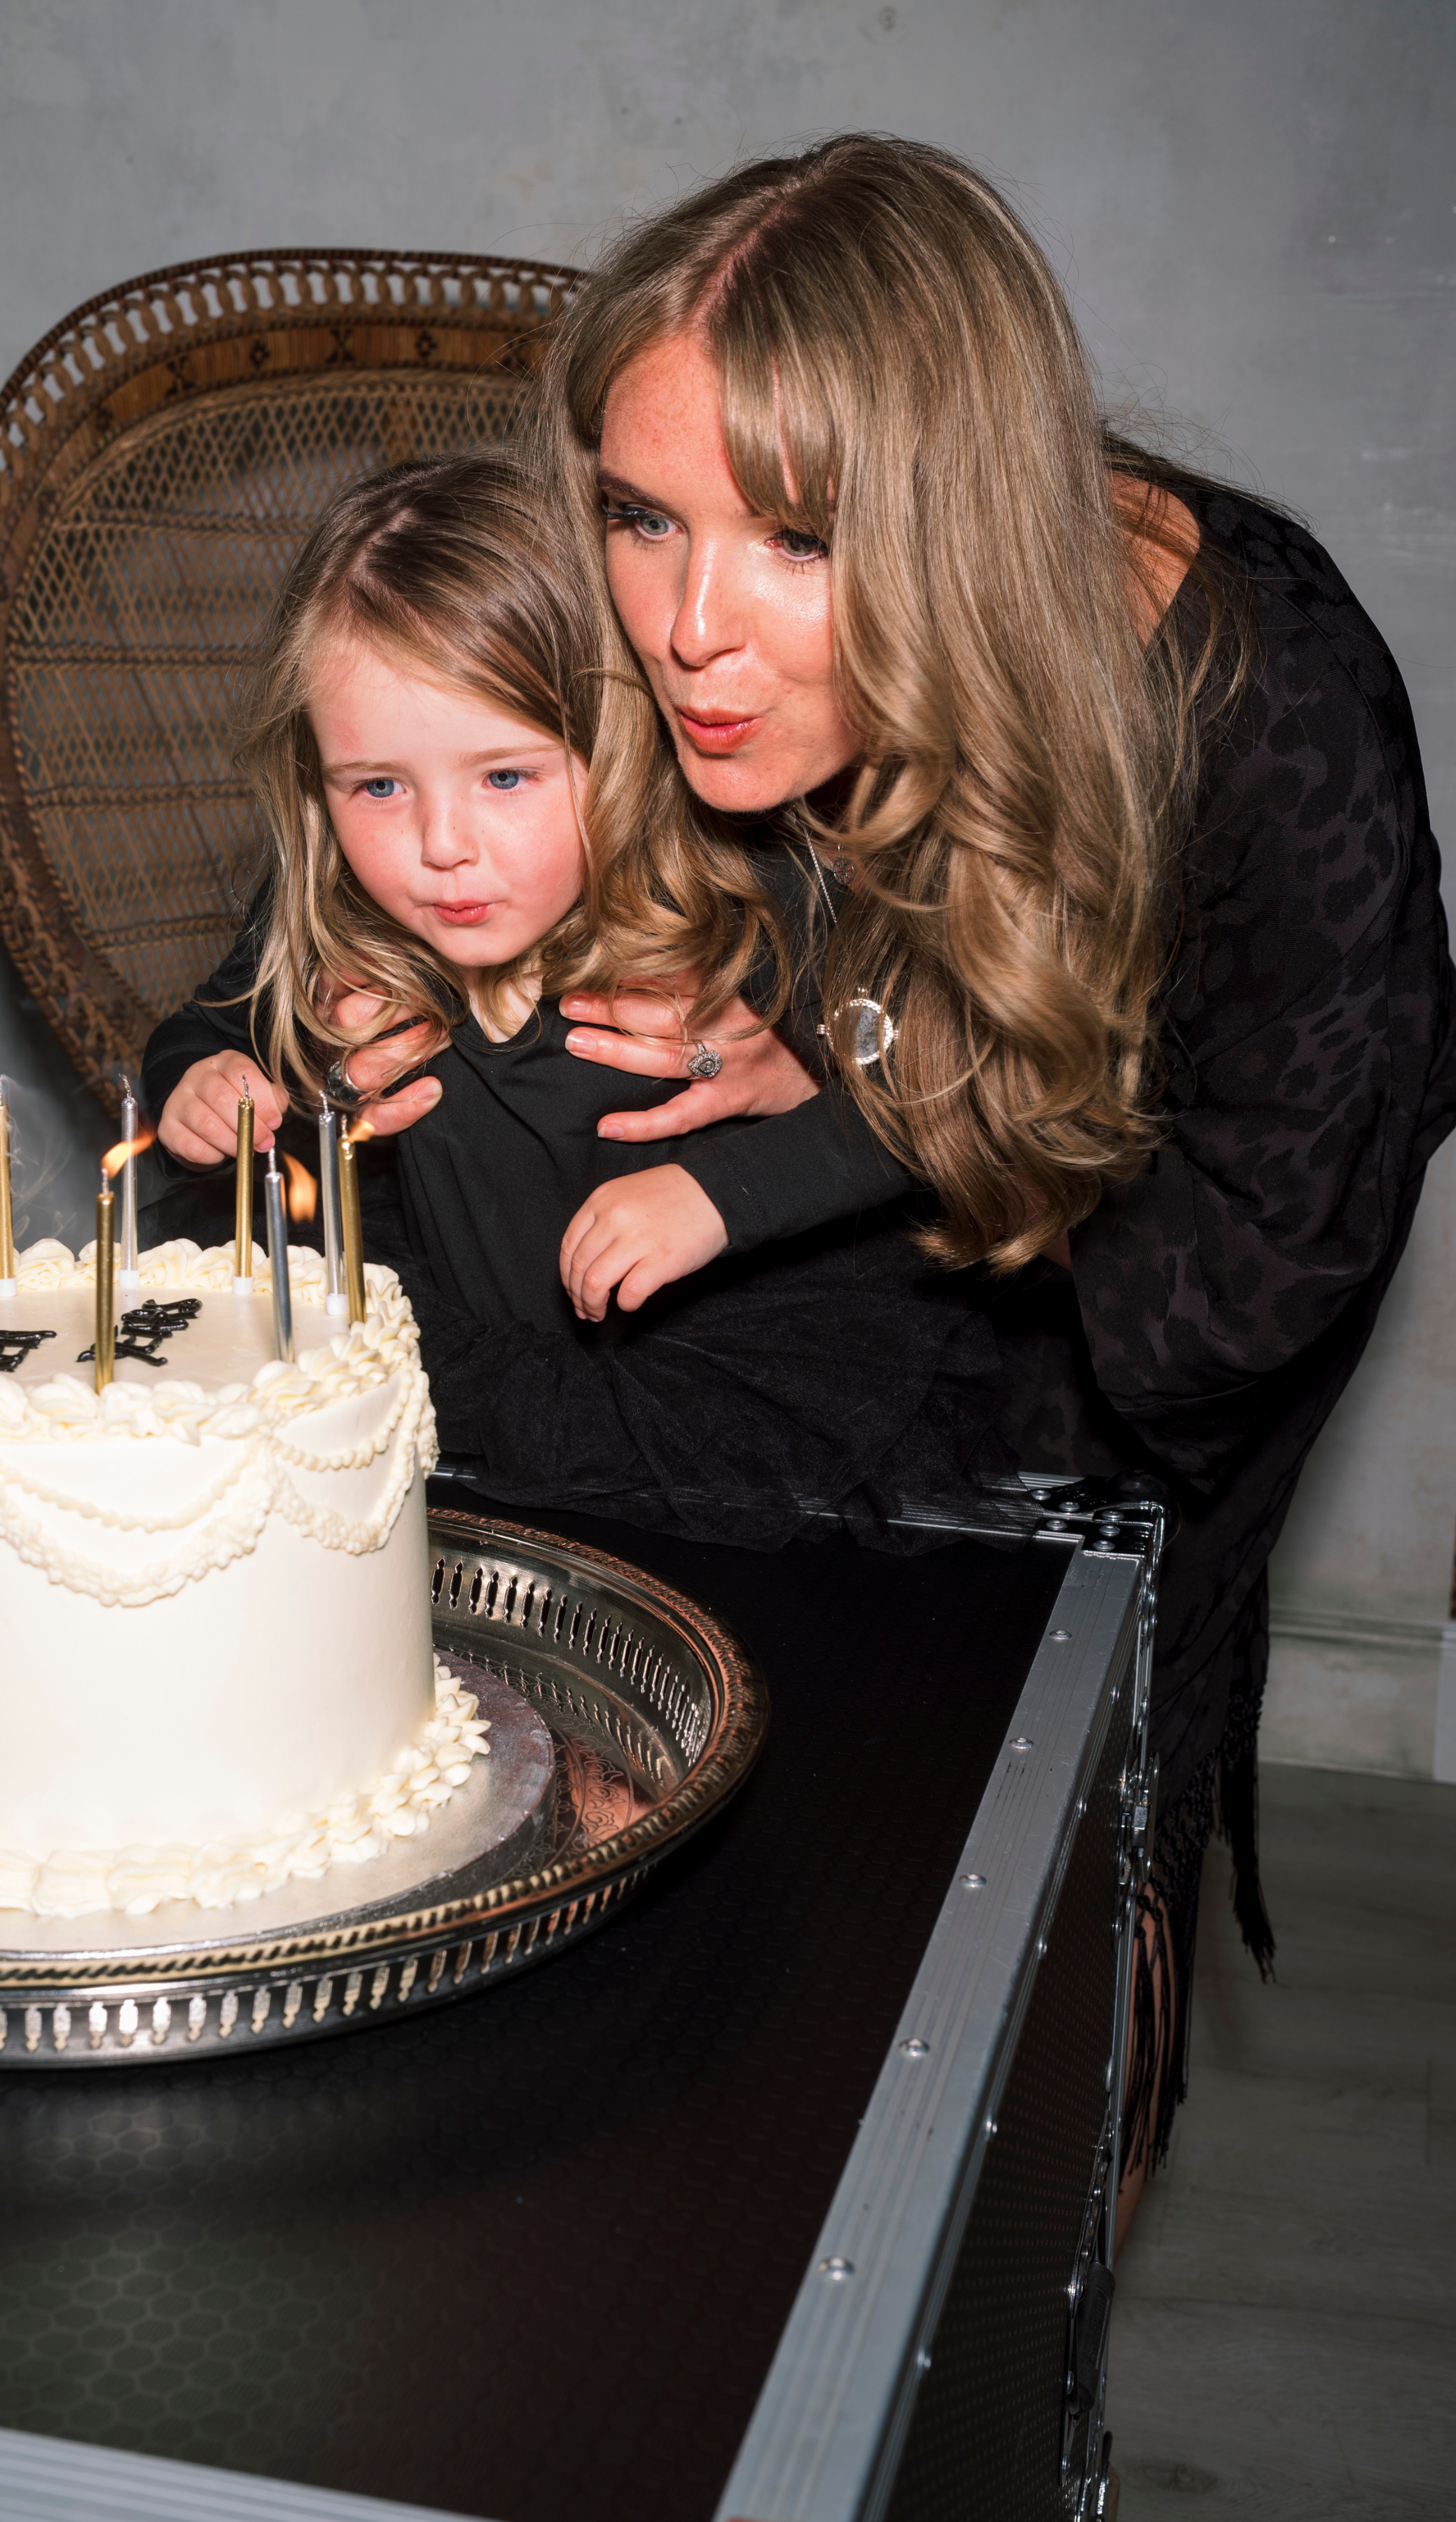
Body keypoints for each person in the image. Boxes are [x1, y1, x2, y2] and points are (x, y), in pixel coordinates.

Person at [474, 132, 1452, 2207]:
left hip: (1170, 1291)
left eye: (798, 540)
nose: (689, 631)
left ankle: (1025, 2280)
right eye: (644, 519)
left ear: (954, 523)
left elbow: (1263, 1264)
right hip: (910, 1193)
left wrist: (896, 1089)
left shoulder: (1275, 712)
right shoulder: (719, 660)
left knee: (1042, 1833)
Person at [144, 449, 1012, 1549]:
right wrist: (201, 1086)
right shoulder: (334, 919)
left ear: (618, 743)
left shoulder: (735, 895)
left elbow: (936, 1105)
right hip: (484, 1389)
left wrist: (719, 1192)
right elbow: (210, 1028)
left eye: (505, 777)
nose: (440, 847)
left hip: (732, 1400)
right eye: (377, 786)